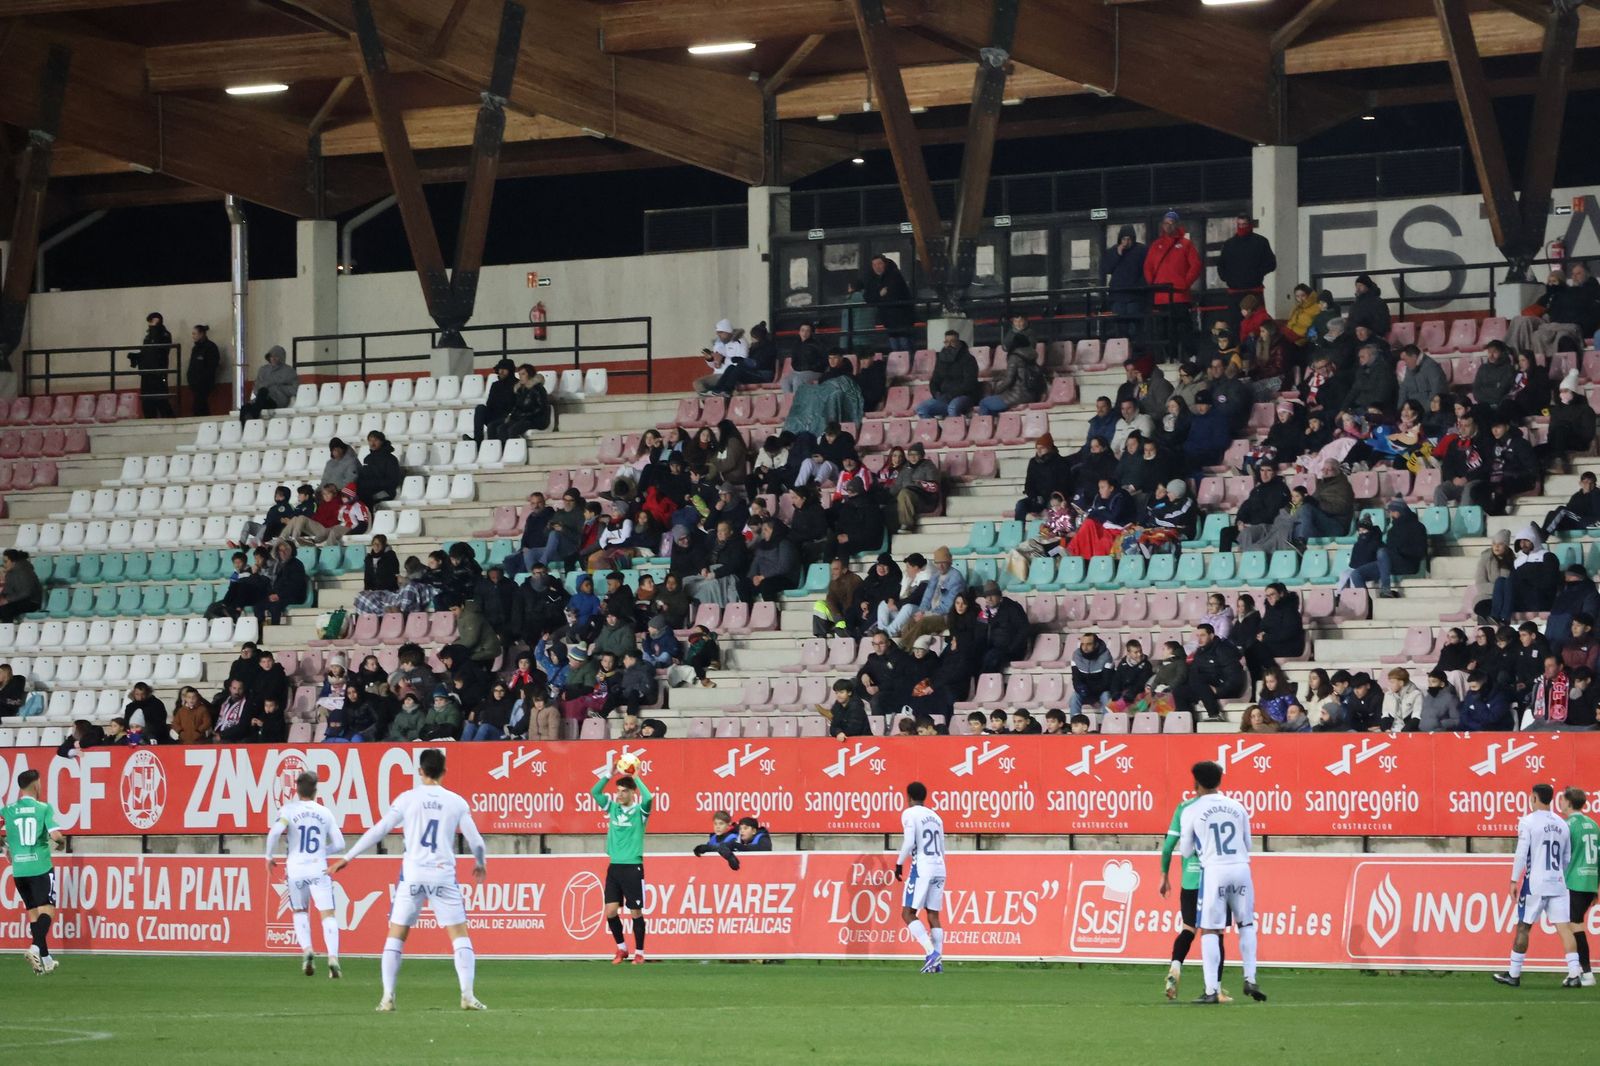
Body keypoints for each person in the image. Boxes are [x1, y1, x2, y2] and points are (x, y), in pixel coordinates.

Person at [330, 748, 486, 1011]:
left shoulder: (407, 799)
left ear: (420, 771)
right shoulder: (456, 802)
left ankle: (387, 997)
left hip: (413, 874)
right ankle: (467, 995)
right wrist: (480, 862)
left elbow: (380, 829)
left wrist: (349, 856)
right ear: (444, 772)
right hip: (443, 875)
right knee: (459, 936)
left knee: (397, 935)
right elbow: (477, 842)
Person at [1177, 760, 1266, 1004]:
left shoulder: (1191, 810)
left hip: (1214, 871)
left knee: (1210, 930)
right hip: (1240, 868)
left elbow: (1185, 851)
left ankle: (1211, 990)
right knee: (1246, 924)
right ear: (1219, 780)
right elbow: (1248, 844)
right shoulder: (1237, 806)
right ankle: (1250, 977)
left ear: (1195, 782)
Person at [1492, 783, 1581, 987]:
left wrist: (1514, 879)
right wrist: (1559, 875)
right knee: (1564, 928)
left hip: (1536, 884)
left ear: (1534, 797)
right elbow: (1566, 857)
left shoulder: (1528, 821)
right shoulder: (1562, 823)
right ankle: (1574, 974)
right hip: (1558, 882)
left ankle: (1513, 974)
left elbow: (1522, 853)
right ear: (1551, 799)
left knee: (1524, 926)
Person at [264, 770, 346, 978]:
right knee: (327, 914)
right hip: (319, 868)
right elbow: (340, 844)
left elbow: (274, 832)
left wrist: (268, 856)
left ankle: (308, 950)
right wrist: (321, 851)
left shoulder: (288, 811)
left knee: (300, 911)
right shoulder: (324, 813)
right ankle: (333, 957)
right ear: (315, 790)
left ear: (297, 790)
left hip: (296, 870)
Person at [1158, 790, 1228, 1002]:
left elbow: (1168, 847)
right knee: (1216, 933)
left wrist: (1164, 876)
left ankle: (1175, 968)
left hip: (1190, 879)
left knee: (1188, 929)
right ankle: (1215, 989)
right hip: (1214, 878)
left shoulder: (1184, 808)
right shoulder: (1224, 807)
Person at [1, 769, 66, 974]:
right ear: (36, 785)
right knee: (48, 910)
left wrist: (5, 849)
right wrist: (61, 843)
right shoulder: (43, 808)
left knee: (33, 914)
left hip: (19, 869)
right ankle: (35, 948)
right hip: (40, 867)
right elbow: (56, 836)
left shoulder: (8, 809)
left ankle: (45, 960)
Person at [589, 761, 653, 965]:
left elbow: (649, 797)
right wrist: (609, 774)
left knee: (635, 912)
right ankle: (622, 948)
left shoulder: (640, 812)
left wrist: (636, 778)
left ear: (632, 793)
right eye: (618, 791)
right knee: (610, 911)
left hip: (633, 866)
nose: (619, 795)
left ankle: (640, 952)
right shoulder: (613, 808)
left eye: (624, 791)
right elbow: (595, 792)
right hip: (614, 866)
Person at [895, 780, 947, 974]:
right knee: (933, 914)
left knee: (907, 913)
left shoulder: (909, 814)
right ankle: (937, 962)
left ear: (908, 797)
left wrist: (899, 863)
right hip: (940, 867)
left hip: (922, 868)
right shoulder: (936, 817)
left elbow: (909, 842)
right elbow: (942, 848)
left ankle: (931, 953)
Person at [1143, 209, 1201, 361]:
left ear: (1177, 225)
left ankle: (1192, 356)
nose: (1168, 226)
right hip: (1161, 296)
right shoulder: (1155, 245)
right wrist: (1153, 285)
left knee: (1184, 328)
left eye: (1171, 223)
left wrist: (1185, 283)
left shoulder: (1186, 244)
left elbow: (1196, 266)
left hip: (1179, 295)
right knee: (1165, 330)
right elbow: (1148, 266)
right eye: (1165, 223)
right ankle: (1171, 357)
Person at [1559, 786, 1598, 986]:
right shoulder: (1593, 824)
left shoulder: (1567, 826)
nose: (1560, 802)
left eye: (1563, 799)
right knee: (1575, 923)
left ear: (1569, 802)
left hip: (1575, 880)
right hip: (1590, 881)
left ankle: (1586, 973)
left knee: (1574, 925)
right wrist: (1597, 886)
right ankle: (1584, 972)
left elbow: (1563, 855)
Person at [1216, 214, 1276, 334]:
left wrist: (1257, 274)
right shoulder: (1229, 245)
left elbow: (1271, 263)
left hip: (1253, 290)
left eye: (1244, 225)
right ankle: (1239, 350)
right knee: (1236, 325)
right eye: (1240, 225)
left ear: (1250, 225)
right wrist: (1227, 278)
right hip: (1238, 291)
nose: (1242, 227)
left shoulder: (1261, 242)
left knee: (1258, 323)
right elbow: (1221, 265)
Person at [916, 331, 981, 418]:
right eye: (946, 342)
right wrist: (936, 394)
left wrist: (951, 395)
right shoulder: (941, 359)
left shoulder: (968, 359)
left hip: (964, 396)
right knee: (922, 408)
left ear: (958, 342)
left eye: (952, 342)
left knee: (953, 408)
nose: (949, 345)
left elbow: (969, 383)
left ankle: (955, 430)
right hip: (943, 397)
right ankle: (937, 430)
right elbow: (934, 380)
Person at [1101, 224, 1148, 337]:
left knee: (1134, 328)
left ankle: (1136, 352)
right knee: (1120, 328)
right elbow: (1106, 268)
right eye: (1124, 239)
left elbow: (1147, 269)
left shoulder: (1141, 251)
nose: (1126, 242)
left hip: (1135, 296)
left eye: (1129, 239)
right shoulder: (1113, 251)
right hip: (1118, 296)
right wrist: (1117, 254)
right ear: (1120, 239)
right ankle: (1122, 351)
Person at [864, 253, 913, 351]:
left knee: (904, 345)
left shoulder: (894, 276)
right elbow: (868, 298)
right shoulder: (872, 279)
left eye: (879, 264)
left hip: (902, 317)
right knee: (894, 346)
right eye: (874, 265)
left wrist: (878, 296)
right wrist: (879, 295)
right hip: (888, 320)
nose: (877, 267)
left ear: (885, 264)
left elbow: (894, 294)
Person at [240, 344, 298, 423]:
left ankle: (253, 417)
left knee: (262, 394)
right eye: (271, 356)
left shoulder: (289, 371)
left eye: (276, 356)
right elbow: (256, 388)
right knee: (244, 408)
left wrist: (278, 388)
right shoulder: (263, 370)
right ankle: (246, 429)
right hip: (261, 399)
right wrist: (266, 387)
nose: (273, 358)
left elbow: (295, 389)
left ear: (281, 357)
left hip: (277, 400)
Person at [693, 319, 748, 396]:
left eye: (721, 332)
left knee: (701, 383)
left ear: (728, 332)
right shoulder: (718, 343)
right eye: (718, 333)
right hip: (717, 374)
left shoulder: (740, 342)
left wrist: (723, 359)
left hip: (729, 375)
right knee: (698, 384)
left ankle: (715, 403)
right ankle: (711, 404)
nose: (718, 335)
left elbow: (742, 362)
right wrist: (710, 359)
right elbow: (715, 365)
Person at [471, 358, 518, 443]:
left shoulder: (517, 384)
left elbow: (516, 405)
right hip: (494, 415)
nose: (501, 371)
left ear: (510, 370)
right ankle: (477, 440)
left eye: (504, 369)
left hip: (507, 417)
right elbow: (490, 404)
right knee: (480, 408)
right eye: (500, 369)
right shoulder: (495, 385)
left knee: (492, 425)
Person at [186, 323, 221, 417]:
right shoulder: (195, 348)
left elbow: (212, 366)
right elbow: (192, 366)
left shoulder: (211, 347)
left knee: (198, 406)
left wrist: (203, 379)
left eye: (194, 334)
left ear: (201, 334)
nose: (192, 336)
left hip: (204, 383)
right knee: (200, 406)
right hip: (195, 383)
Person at [0, 548, 42, 622]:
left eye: (6, 562)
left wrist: (7, 600)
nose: (3, 564)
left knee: (5, 610)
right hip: (17, 600)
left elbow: (26, 592)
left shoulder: (24, 571)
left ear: (13, 562)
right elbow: (8, 590)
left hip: (32, 602)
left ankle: (7, 631)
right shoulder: (10, 572)